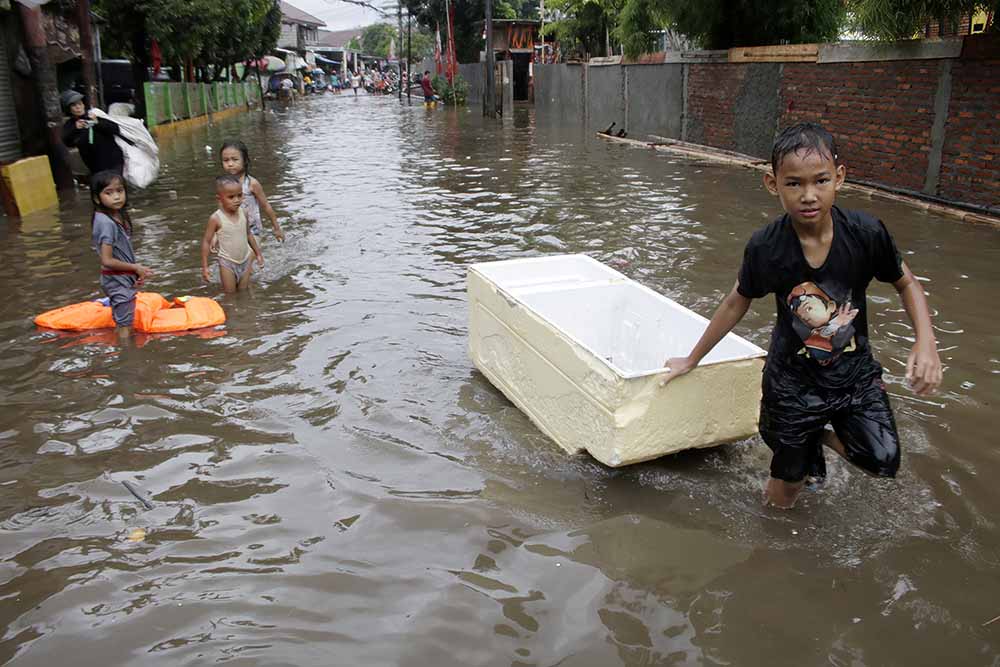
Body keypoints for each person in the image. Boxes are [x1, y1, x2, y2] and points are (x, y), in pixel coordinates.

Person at [660, 122, 943, 509]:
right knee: (785, 493)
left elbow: (907, 283)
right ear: (772, 184)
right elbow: (735, 301)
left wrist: (926, 342)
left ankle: (818, 435)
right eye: (794, 184)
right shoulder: (766, 247)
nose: (809, 196)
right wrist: (692, 359)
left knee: (883, 460)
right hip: (792, 383)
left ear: (839, 178)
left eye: (820, 181)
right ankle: (774, 541)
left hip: (854, 377)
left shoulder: (865, 233)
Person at [90, 170, 153, 339]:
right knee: (125, 327)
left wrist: (133, 273)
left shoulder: (115, 216)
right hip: (116, 279)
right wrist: (135, 267)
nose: (116, 196)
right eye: (108, 193)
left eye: (120, 191)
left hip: (121, 277)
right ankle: (127, 357)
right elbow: (107, 259)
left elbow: (121, 251)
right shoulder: (107, 223)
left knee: (124, 321)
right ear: (97, 198)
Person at [201, 175, 264, 293]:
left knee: (243, 293)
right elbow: (206, 241)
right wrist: (205, 266)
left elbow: (248, 234)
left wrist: (258, 253)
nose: (237, 200)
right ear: (219, 199)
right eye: (231, 197)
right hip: (227, 263)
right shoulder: (216, 218)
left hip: (245, 260)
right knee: (230, 295)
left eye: (240, 195)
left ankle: (244, 311)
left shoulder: (244, 212)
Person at [219, 139, 284, 242]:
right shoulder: (223, 185)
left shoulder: (251, 183)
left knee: (250, 256)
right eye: (226, 160)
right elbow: (221, 208)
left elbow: (266, 206)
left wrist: (277, 228)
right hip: (235, 230)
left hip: (253, 229)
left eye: (235, 159)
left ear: (244, 160)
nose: (230, 164)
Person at [61, 89, 125, 176]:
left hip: (113, 160)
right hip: (94, 164)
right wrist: (76, 129)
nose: (78, 107)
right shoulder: (71, 124)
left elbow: (115, 129)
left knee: (116, 182)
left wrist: (97, 122)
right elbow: (68, 142)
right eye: (74, 105)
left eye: (80, 104)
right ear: (69, 109)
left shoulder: (95, 114)